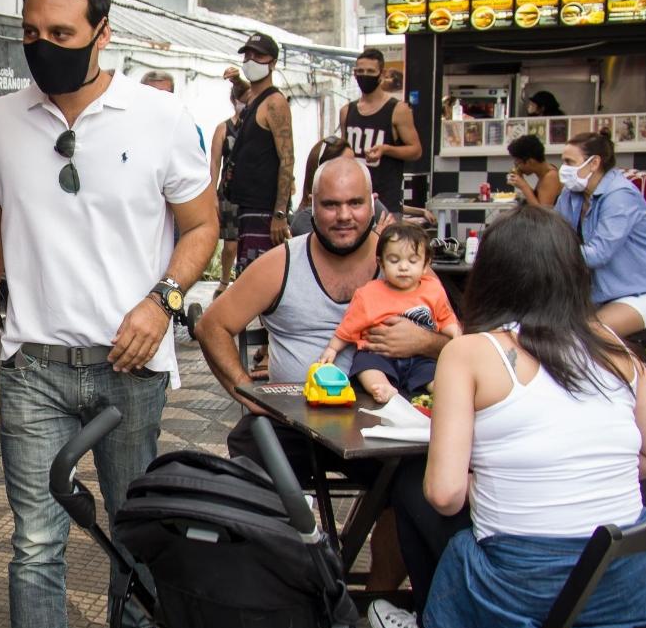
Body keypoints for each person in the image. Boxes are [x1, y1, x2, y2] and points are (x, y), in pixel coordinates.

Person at [0, 0, 216, 628]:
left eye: (61, 33)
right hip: (33, 363)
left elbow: (201, 226)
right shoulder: (2, 121)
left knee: (133, 521)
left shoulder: (160, 116)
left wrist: (163, 301)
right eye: (32, 31)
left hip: (129, 365)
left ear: (103, 32)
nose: (43, 47)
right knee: (36, 541)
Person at [379, 205, 646, 628]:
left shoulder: (471, 352)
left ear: (489, 278)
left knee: (413, 484)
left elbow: (445, 493)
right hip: (624, 585)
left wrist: (498, 482)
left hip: (527, 591)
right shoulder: (613, 347)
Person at [196, 156, 448, 593]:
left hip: (384, 422)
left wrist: (424, 342)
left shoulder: (404, 260)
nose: (344, 216)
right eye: (331, 205)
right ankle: (282, 596)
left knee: (422, 483)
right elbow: (211, 326)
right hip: (296, 419)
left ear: (373, 203)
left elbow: (461, 346)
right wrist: (248, 392)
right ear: (312, 205)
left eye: (355, 203)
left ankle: (378, 603)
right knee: (251, 457)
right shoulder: (282, 263)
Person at [319, 222, 460, 404]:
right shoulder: (368, 293)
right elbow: (348, 327)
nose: (403, 267)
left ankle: (442, 390)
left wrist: (456, 336)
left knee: (434, 371)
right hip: (378, 354)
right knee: (365, 365)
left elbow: (445, 318)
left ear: (426, 264)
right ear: (381, 264)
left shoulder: (433, 289)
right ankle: (382, 386)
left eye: (412, 261)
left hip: (420, 357)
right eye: (394, 260)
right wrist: (332, 349)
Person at [553, 131, 646, 336]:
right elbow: (554, 235)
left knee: (588, 335)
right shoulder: (571, 194)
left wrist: (548, 253)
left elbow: (598, 254)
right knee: (545, 329)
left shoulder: (620, 195)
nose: (563, 169)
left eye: (569, 162)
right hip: (601, 295)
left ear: (594, 163)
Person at [223, 32, 296, 272]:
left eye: (258, 56)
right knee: (247, 274)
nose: (251, 60)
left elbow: (287, 159)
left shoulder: (275, 103)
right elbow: (248, 93)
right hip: (247, 206)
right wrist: (236, 81)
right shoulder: (255, 98)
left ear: (272, 62)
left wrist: (279, 213)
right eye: (247, 55)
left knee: (259, 278)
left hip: (264, 211)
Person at [340, 48, 422, 216]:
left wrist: (386, 149)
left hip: (387, 202)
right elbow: (343, 150)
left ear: (382, 74)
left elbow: (416, 150)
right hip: (353, 201)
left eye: (370, 71)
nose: (364, 76)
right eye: (360, 71)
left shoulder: (398, 110)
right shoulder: (347, 111)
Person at [209, 79, 249, 291]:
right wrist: (212, 196)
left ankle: (244, 283)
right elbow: (215, 163)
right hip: (229, 193)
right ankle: (224, 281)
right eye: (241, 100)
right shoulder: (224, 128)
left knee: (248, 242)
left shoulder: (255, 126)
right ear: (233, 100)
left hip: (252, 194)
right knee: (230, 244)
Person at [505, 133, 560, 207]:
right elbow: (537, 199)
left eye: (518, 163)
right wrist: (522, 180)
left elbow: (542, 212)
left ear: (530, 162)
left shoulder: (551, 176)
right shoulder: (544, 173)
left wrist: (523, 186)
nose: (517, 166)